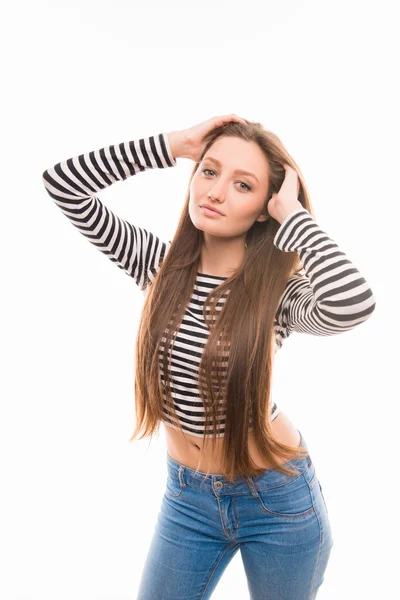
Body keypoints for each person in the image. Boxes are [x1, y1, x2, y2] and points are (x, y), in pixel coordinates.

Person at [42, 114, 376, 599]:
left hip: (276, 500)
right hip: (187, 499)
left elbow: (354, 304)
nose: (215, 191)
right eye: (209, 171)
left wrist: (295, 217)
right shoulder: (158, 266)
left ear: (266, 208)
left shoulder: (278, 292)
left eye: (243, 184)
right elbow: (64, 185)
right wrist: (173, 144)